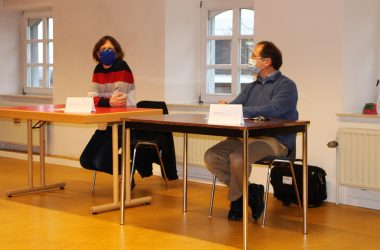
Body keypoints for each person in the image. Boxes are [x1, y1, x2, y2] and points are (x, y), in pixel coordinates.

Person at [204, 41, 298, 221]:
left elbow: (273, 110)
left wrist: (239, 110)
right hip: (245, 136)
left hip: (273, 140)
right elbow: (236, 106)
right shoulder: (252, 86)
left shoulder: (286, 86)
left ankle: (237, 202)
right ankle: (251, 191)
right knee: (211, 156)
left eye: (254, 55)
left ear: (267, 61)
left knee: (238, 158)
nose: (251, 59)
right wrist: (226, 107)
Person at [80, 35, 135, 179]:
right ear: (97, 53)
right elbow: (90, 98)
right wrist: (108, 102)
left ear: (116, 52)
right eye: (103, 49)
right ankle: (126, 170)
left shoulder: (122, 67)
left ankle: (128, 172)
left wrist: (102, 101)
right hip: (106, 124)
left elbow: (119, 101)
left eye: (110, 49)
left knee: (100, 161)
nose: (106, 51)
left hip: (123, 124)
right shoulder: (98, 69)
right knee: (85, 160)